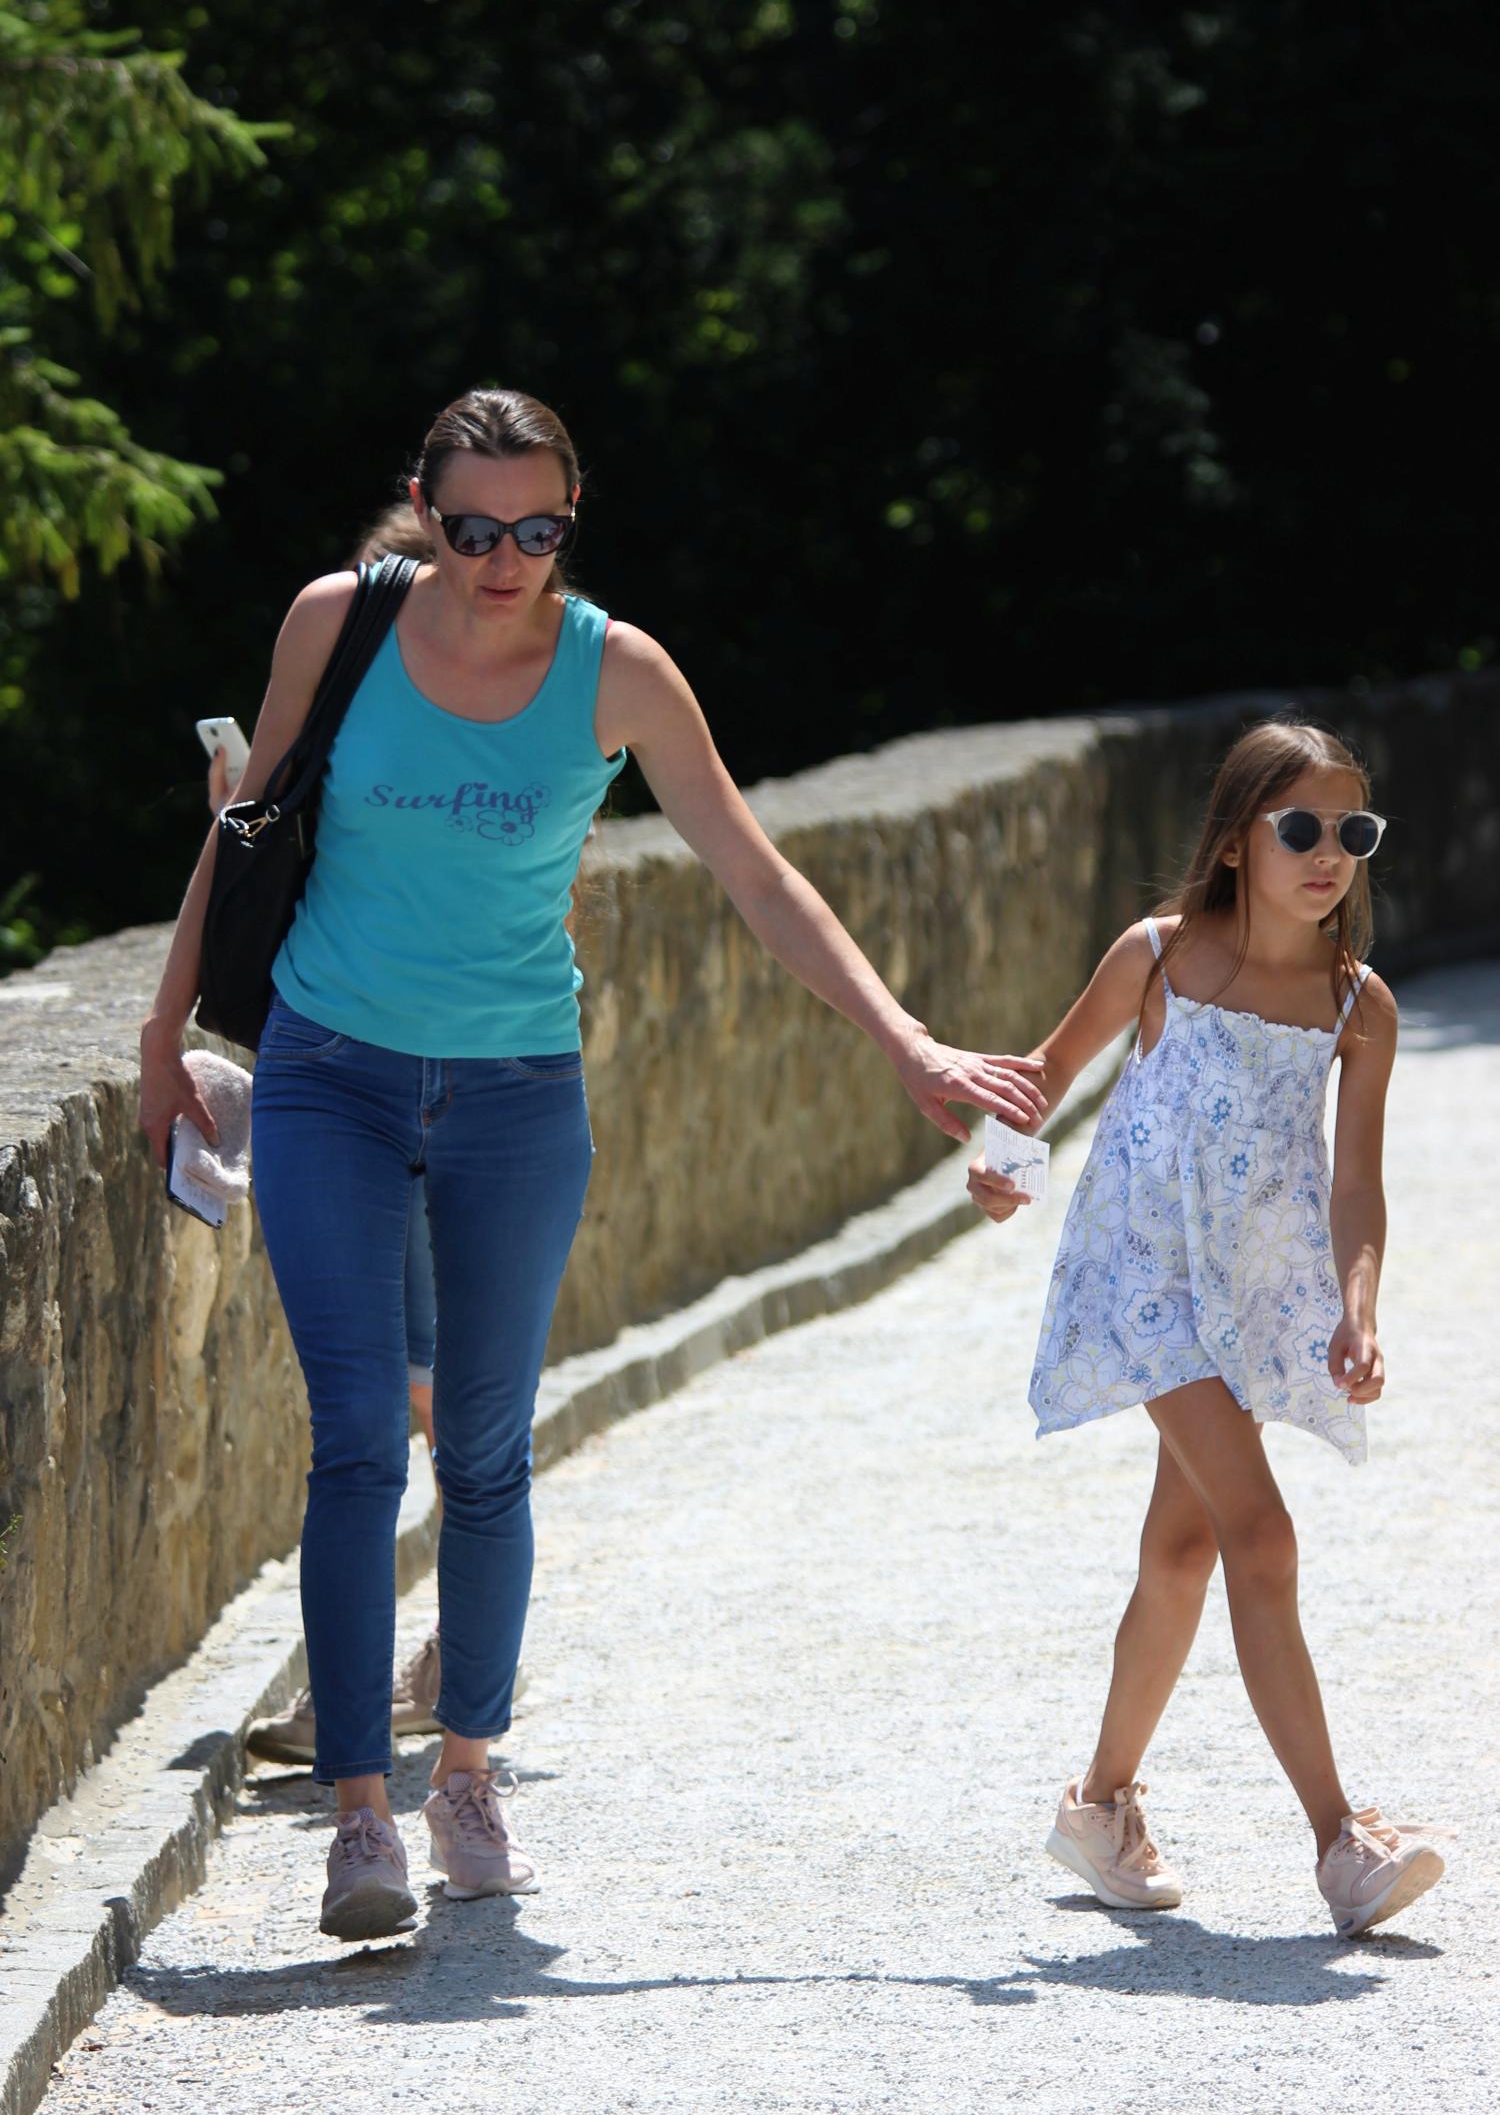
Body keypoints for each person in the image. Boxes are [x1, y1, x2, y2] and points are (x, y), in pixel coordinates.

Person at [141, 386, 1047, 1941]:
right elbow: (245, 832)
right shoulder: (336, 625)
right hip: (328, 1071)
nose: (504, 559)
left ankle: (467, 1770)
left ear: (574, 519)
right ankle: (359, 1814)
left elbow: (759, 876)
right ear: (423, 507)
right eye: (473, 527)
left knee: (487, 1447)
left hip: (512, 1093)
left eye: (538, 529)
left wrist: (907, 1042)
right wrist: (165, 1039)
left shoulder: (614, 671)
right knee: (359, 1433)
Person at [968, 720, 1446, 1938]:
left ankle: (1099, 1801)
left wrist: (1359, 1307)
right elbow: (1048, 1069)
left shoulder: (1358, 1006)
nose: (1329, 852)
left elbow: (1356, 1185)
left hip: (1244, 1293)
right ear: (1238, 843)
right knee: (1262, 1531)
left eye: (1354, 829)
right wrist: (999, 1165)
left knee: (1182, 1555)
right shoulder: (1159, 957)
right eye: (1300, 828)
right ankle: (1341, 1841)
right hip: (1140, 1277)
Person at [207, 507, 449, 1768]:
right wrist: (248, 806)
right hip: (347, 1065)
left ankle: (416, 1679)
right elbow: (285, 832)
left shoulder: (485, 690)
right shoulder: (372, 659)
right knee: (394, 1403)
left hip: (422, 1080)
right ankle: (409, 1681)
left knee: (410, 1393)